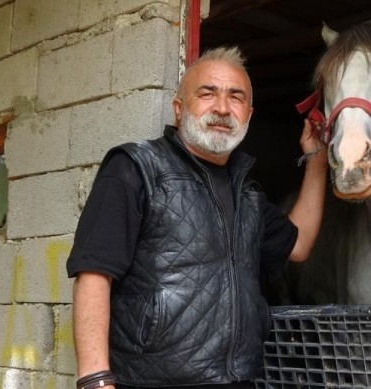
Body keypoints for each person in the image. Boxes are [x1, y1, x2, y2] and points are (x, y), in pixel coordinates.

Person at [66, 46, 328, 389]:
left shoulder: (247, 192)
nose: (222, 108)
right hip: (152, 382)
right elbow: (93, 274)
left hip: (238, 380)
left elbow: (300, 244)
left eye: (236, 98)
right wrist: (95, 380)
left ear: (248, 114)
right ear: (179, 109)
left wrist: (316, 162)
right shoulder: (136, 168)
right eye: (207, 94)